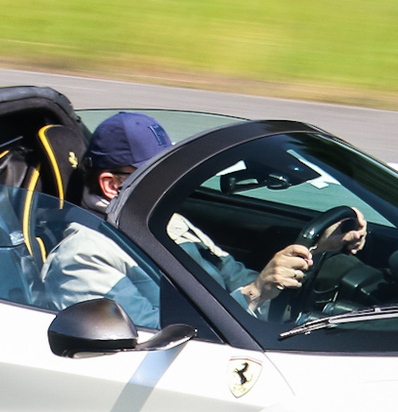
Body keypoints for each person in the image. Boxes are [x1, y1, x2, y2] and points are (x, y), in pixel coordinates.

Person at [41, 113, 361, 326]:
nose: (170, 181)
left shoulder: (166, 221)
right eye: (155, 173)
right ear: (112, 185)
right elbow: (155, 338)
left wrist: (316, 253)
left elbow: (237, 280)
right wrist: (256, 292)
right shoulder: (81, 256)